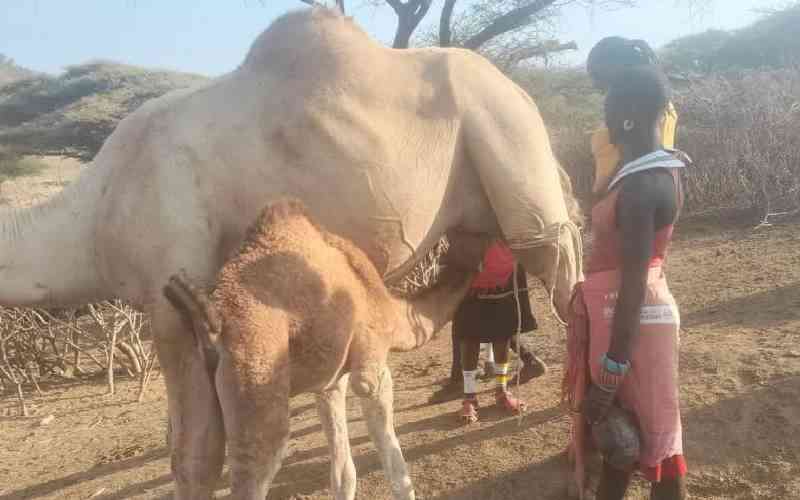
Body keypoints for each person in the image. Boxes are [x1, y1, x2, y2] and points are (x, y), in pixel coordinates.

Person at [562, 64, 689, 500]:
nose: (607, 123)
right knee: (622, 436)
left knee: (648, 439)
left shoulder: (642, 185)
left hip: (633, 322)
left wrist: (612, 370)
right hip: (623, 317)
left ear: (629, 114)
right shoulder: (641, 174)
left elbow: (633, 284)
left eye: (610, 110)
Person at [448, 240, 540, 423]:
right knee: (469, 338)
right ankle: (469, 397)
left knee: (502, 335)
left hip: (503, 272)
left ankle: (502, 390)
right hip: (469, 273)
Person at [586, 36, 679, 195]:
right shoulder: (659, 102)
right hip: (658, 186)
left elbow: (634, 156)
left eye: (596, 72)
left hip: (628, 192)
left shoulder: (638, 105)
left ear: (614, 64)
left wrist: (604, 200)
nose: (596, 82)